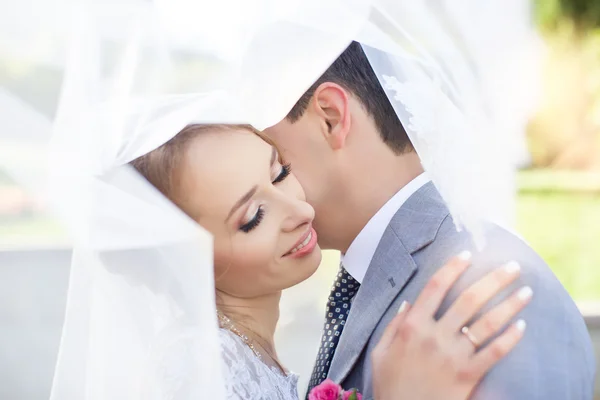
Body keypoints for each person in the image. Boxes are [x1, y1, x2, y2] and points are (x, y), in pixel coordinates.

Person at [264, 41, 596, 399]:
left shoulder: (493, 290)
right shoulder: (369, 280)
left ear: (331, 117)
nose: (262, 190)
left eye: (276, 165)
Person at [130, 123, 531, 399]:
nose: (300, 212)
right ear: (187, 257)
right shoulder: (201, 367)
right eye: (253, 217)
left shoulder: (239, 351)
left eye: (281, 172)